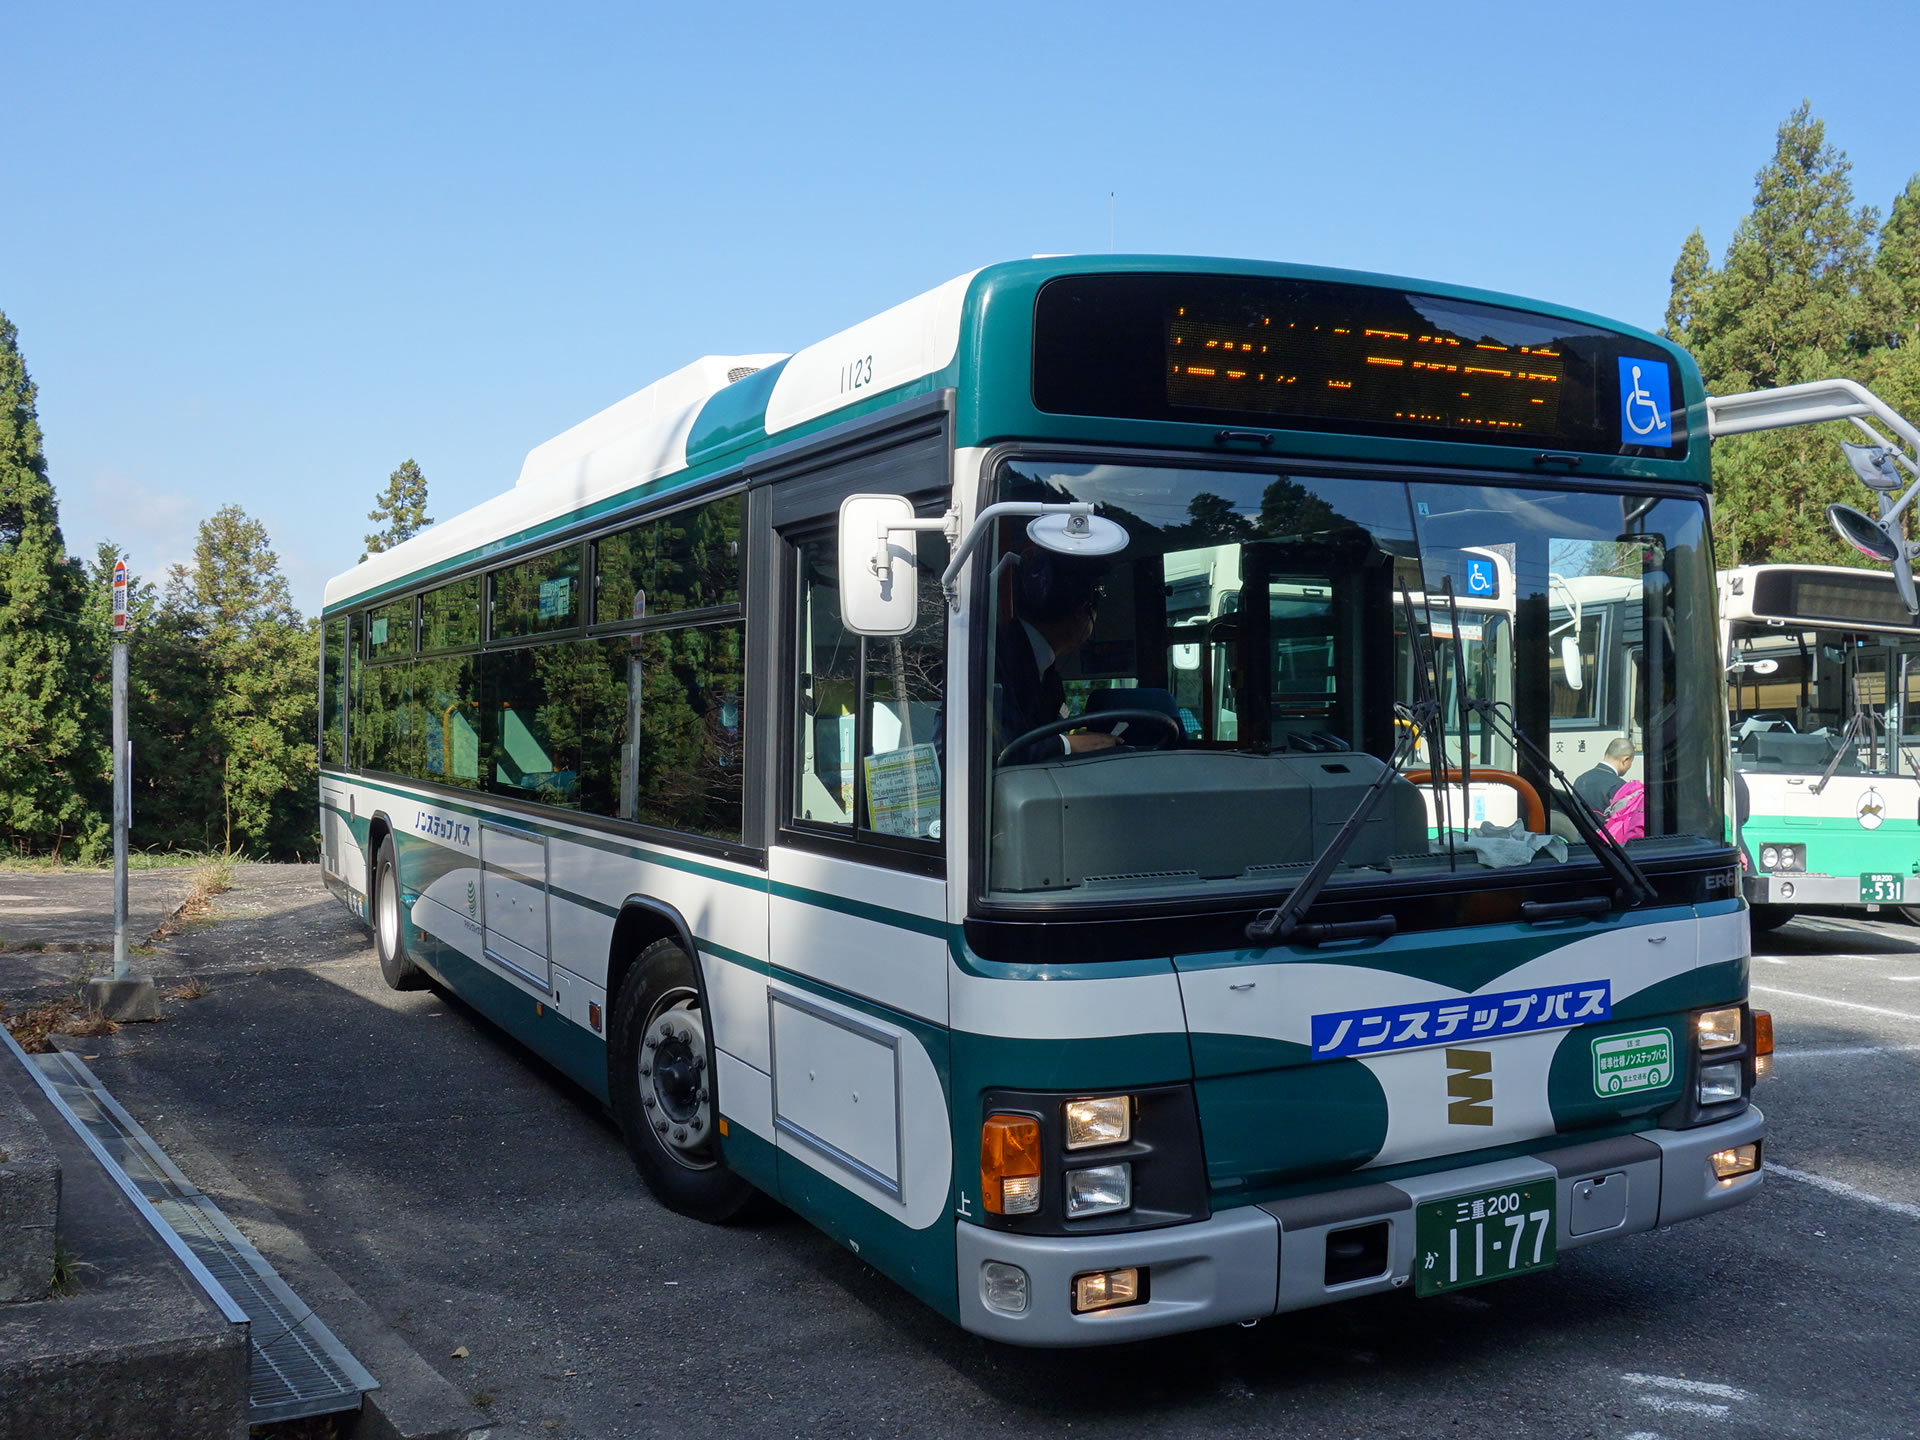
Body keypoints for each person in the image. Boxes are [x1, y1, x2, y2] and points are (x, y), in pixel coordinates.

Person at [994, 550, 1120, 765]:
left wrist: (1070, 739)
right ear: (1083, 613)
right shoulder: (996, 659)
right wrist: (1068, 745)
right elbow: (993, 749)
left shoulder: (1046, 672)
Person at [1573, 736, 1634, 817]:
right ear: (1625, 759)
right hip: (1605, 829)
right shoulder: (1618, 785)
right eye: (1631, 762)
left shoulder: (1580, 779)